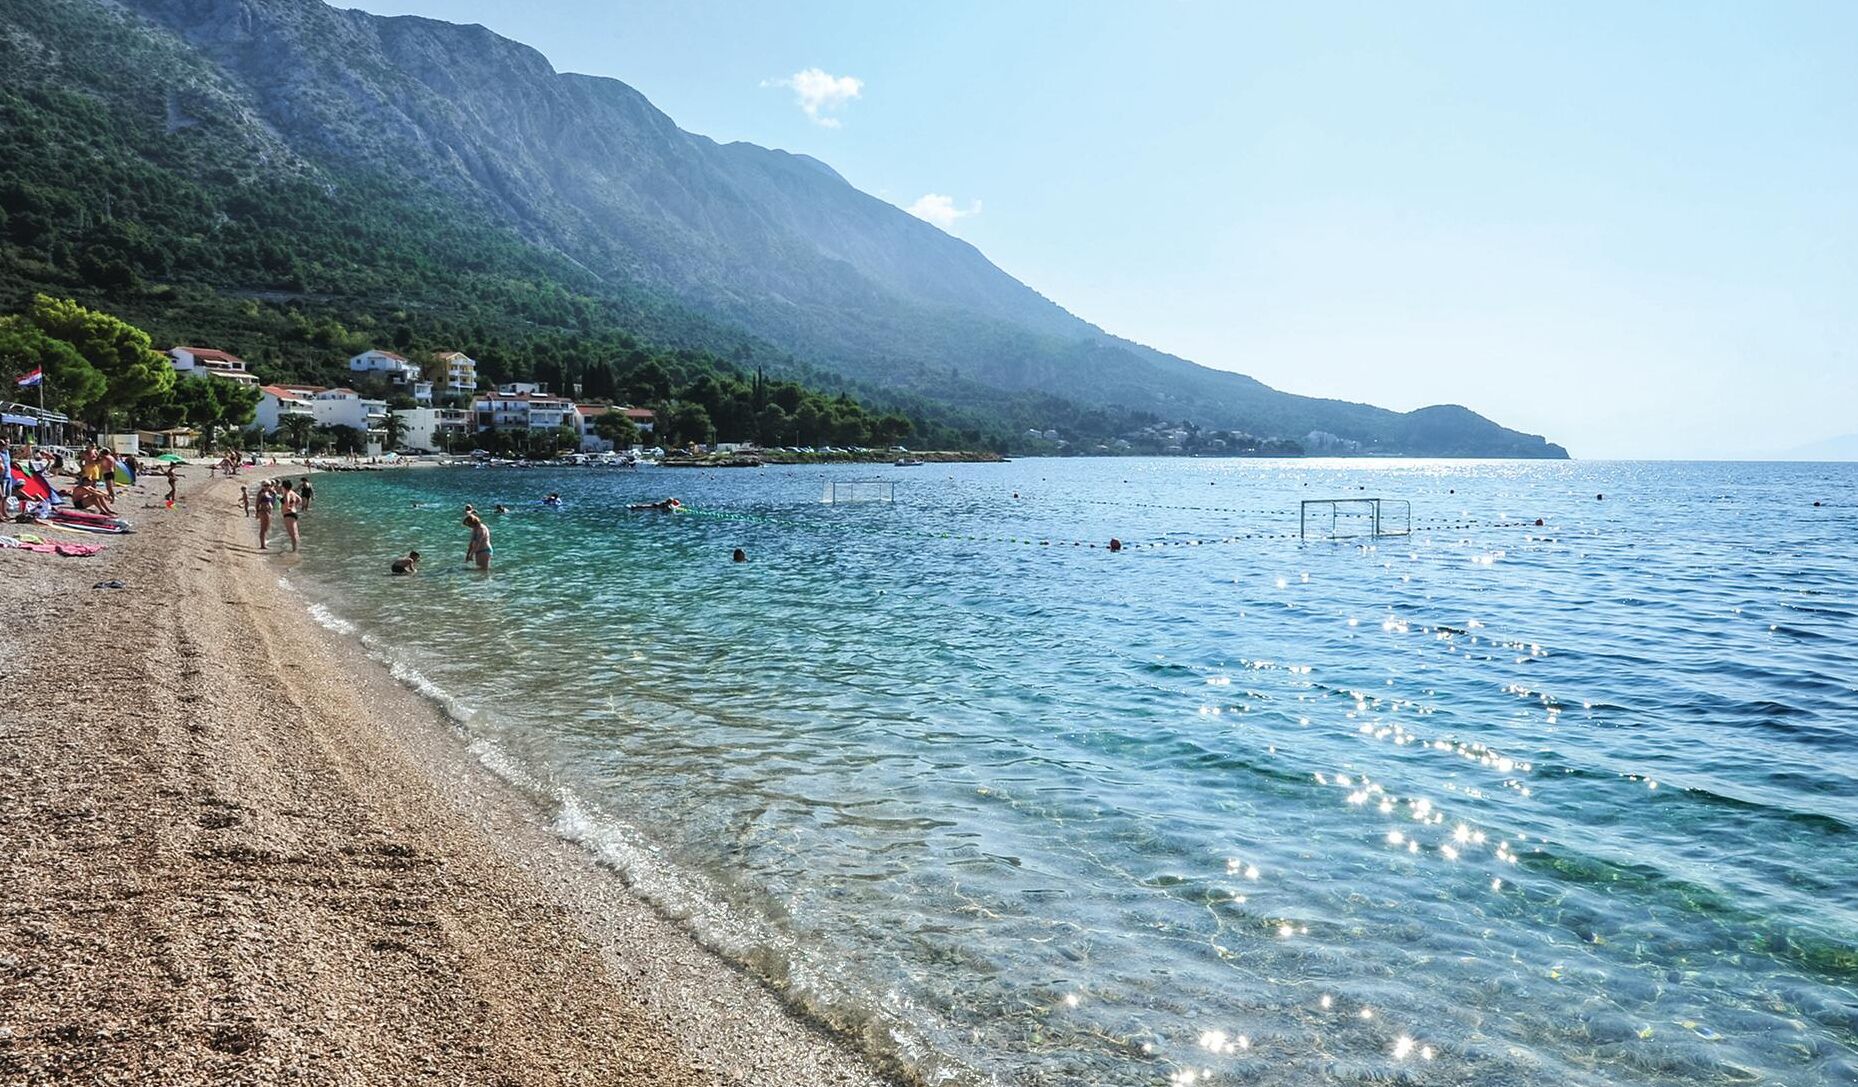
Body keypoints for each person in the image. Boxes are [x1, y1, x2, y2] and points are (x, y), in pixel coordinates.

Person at [278, 479, 302, 551]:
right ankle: (297, 549)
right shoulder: (293, 492)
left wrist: (288, 507)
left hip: (288, 514)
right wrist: (294, 506)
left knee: (292, 534)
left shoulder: (287, 493)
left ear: (283, 486)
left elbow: (287, 500)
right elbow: (299, 499)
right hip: (293, 513)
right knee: (295, 533)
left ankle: (294, 550)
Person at [255, 481, 276, 549]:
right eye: (265, 485)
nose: (267, 487)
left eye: (268, 485)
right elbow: (257, 503)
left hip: (268, 511)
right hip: (263, 511)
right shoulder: (261, 493)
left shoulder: (269, 492)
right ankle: (262, 545)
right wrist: (257, 512)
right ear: (262, 486)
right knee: (263, 528)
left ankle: (263, 543)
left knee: (266, 528)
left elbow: (273, 501)